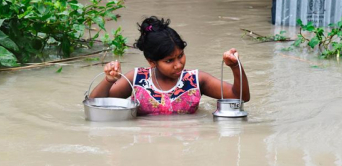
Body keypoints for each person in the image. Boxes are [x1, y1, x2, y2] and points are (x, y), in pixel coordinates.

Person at [89, 16, 250, 115]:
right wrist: (108, 80)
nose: (178, 65)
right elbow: (96, 104)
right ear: (152, 62)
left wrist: (236, 66)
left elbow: (241, 97)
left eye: (180, 56)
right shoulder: (137, 79)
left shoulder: (195, 80)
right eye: (169, 61)